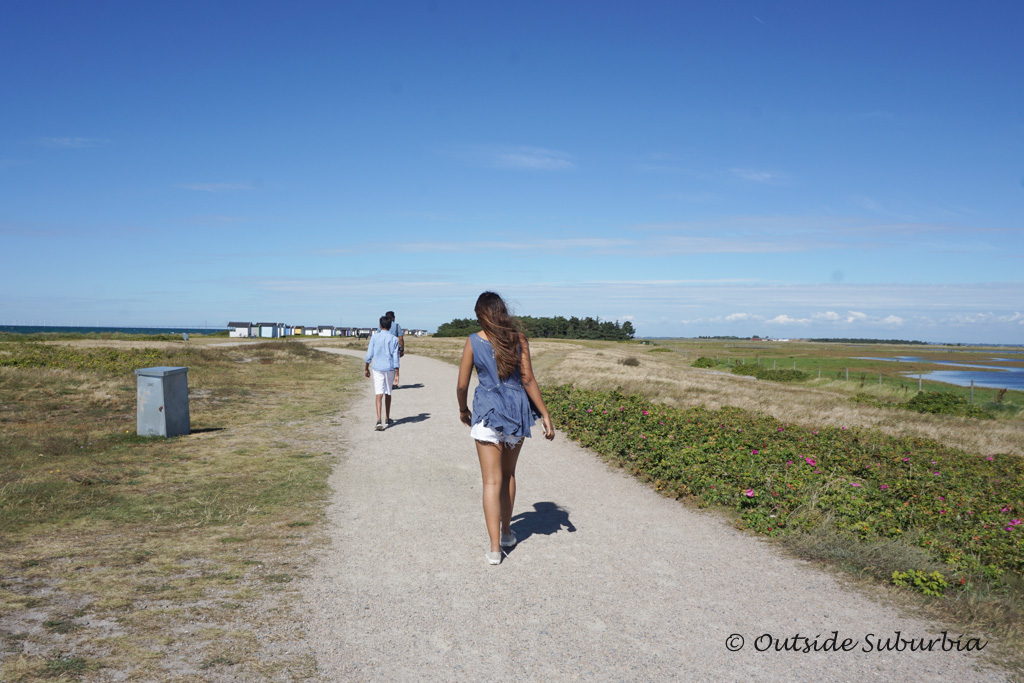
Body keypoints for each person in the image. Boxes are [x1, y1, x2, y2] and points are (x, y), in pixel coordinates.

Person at [456, 292, 555, 565]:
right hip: (516, 411)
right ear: (503, 311)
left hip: (487, 411)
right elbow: (528, 379)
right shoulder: (518, 339)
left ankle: (494, 548)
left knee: (491, 481)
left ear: (479, 315)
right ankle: (508, 532)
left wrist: (463, 409)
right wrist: (545, 414)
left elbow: (462, 384)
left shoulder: (474, 341)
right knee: (509, 474)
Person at [364, 315, 401, 431]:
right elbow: (396, 358)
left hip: (378, 368)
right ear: (390, 326)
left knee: (379, 393)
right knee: (388, 393)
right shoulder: (394, 339)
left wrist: (366, 368)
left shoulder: (374, 338)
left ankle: (378, 419)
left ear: (380, 326)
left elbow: (369, 355)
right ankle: (387, 417)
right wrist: (397, 374)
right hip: (389, 368)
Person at [385, 310, 405, 388]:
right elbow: (400, 338)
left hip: (384, 348)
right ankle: (394, 382)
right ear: (393, 318)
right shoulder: (397, 326)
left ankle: (386, 382)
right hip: (394, 348)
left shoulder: (381, 325)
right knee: (395, 364)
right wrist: (402, 349)